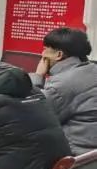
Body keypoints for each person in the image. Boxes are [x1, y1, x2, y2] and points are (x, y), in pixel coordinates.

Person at [31, 27, 97, 155]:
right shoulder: (92, 69)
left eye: (46, 49)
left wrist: (37, 76)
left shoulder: (62, 84)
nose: (42, 54)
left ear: (59, 55)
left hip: (75, 155)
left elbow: (34, 114)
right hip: (92, 153)